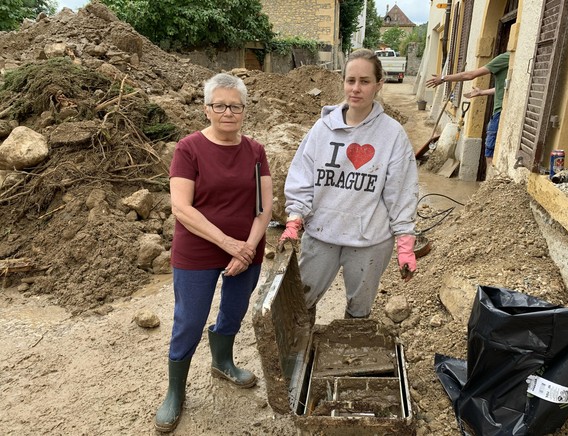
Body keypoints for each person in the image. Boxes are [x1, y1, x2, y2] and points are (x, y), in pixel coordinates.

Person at [155, 73, 273, 432]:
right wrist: (229, 245)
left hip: (247, 248)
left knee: (235, 311)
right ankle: (175, 391)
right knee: (189, 320)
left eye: (235, 106)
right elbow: (182, 209)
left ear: (244, 110)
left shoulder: (255, 151)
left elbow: (264, 208)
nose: (227, 112)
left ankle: (222, 362)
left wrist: (248, 248)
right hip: (199, 250)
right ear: (207, 109)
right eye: (219, 105)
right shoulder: (188, 149)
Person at [278, 48, 418, 320]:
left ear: (379, 85)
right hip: (321, 233)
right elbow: (303, 176)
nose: (356, 88)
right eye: (350, 80)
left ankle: (352, 348)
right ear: (342, 82)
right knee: (301, 302)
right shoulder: (322, 130)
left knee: (359, 310)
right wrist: (295, 219)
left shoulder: (392, 135)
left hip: (370, 241)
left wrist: (404, 244)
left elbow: (401, 193)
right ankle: (300, 353)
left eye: (365, 81)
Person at [426, 51, 510, 165]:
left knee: (490, 152)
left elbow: (470, 75)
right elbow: (504, 87)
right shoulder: (516, 59)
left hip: (500, 112)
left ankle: (491, 182)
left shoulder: (505, 57)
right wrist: (482, 92)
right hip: (504, 111)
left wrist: (444, 78)